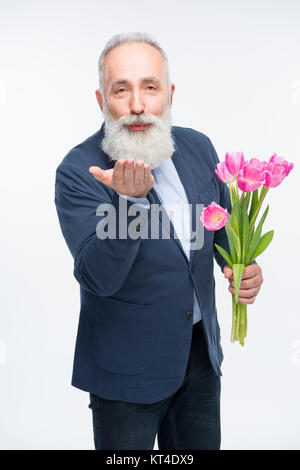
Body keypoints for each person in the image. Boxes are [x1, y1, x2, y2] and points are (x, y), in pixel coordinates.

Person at [54, 32, 264, 450]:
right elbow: (98, 277)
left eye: (149, 88)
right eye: (121, 89)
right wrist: (128, 204)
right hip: (127, 374)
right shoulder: (78, 171)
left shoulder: (199, 147)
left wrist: (243, 269)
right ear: (101, 100)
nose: (137, 105)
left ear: (168, 94)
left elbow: (220, 236)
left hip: (200, 361)